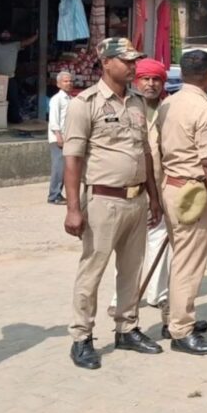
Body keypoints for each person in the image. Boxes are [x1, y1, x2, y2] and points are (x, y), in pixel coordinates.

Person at [62, 38, 164, 370]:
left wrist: (154, 196)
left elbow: (145, 153)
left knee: (132, 270)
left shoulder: (137, 103)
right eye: (126, 61)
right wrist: (73, 208)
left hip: (137, 200)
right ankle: (81, 337)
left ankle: (127, 328)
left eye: (135, 61)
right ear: (106, 63)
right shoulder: (85, 104)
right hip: (103, 201)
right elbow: (73, 159)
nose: (134, 67)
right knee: (92, 271)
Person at [106, 60, 207, 339]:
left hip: (164, 190)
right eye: (145, 79)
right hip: (130, 188)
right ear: (135, 81)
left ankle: (168, 311)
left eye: (156, 79)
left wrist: (161, 195)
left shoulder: (167, 107)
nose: (151, 84)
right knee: (130, 252)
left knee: (168, 251)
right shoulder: (127, 106)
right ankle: (123, 308)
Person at [158, 50, 207, 355]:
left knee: (180, 258)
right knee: (189, 264)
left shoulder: (169, 103)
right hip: (192, 191)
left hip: (171, 187)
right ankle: (181, 329)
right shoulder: (206, 110)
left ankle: (173, 317)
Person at [0, 30, 39, 124]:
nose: (5, 35)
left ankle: (14, 119)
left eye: (7, 33)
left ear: (11, 36)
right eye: (3, 33)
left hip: (10, 78)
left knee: (13, 99)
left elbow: (27, 42)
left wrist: (37, 36)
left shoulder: (15, 45)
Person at [47, 71, 73, 205]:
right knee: (58, 167)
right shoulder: (56, 99)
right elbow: (53, 119)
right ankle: (53, 195)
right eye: (65, 81)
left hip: (67, 137)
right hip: (58, 138)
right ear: (58, 84)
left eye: (70, 81)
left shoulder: (70, 99)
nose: (68, 83)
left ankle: (58, 193)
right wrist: (58, 136)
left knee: (65, 168)